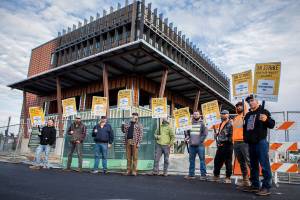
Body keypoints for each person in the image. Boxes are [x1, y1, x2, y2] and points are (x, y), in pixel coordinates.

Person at [242, 95, 275, 196]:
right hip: (251, 143)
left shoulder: (264, 111)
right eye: (249, 102)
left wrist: (266, 119)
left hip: (261, 142)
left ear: (257, 101)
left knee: (264, 165)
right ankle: (255, 185)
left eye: (252, 101)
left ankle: (266, 187)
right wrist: (245, 139)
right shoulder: (247, 115)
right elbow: (246, 129)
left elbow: (272, 124)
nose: (250, 103)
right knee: (253, 166)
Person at [184, 111, 208, 180]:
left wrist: (200, 141)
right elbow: (188, 133)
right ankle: (191, 175)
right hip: (191, 145)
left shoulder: (203, 123)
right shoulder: (190, 123)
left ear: (199, 115)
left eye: (197, 114)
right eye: (194, 114)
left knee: (202, 160)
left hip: (200, 145)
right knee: (191, 160)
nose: (195, 115)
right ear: (193, 115)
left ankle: (203, 175)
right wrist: (187, 137)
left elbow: (205, 134)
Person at [212, 110, 233, 184]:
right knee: (217, 160)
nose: (223, 115)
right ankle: (216, 175)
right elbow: (222, 132)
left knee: (228, 161)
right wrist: (217, 134)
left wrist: (225, 141)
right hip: (221, 144)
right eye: (222, 114)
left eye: (225, 114)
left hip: (227, 144)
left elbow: (231, 135)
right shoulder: (221, 123)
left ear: (228, 115)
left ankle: (228, 177)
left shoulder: (231, 123)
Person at [233, 101, 251, 187]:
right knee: (241, 162)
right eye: (237, 106)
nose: (238, 107)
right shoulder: (236, 118)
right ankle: (246, 180)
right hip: (236, 142)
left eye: (240, 106)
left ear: (244, 107)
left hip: (244, 142)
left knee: (249, 161)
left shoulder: (247, 116)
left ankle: (255, 182)